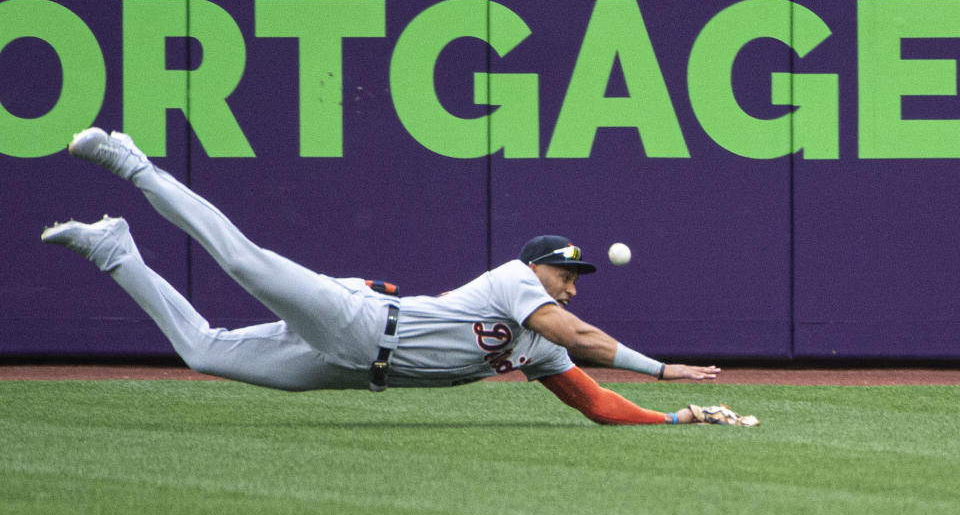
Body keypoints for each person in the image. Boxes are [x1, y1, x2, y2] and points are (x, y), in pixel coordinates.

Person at [41, 128, 758, 427]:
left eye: (575, 276)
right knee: (240, 258)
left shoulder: (539, 346)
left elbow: (595, 402)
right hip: (355, 321)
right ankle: (129, 161)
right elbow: (584, 337)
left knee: (202, 352)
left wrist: (673, 419)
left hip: (350, 369)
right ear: (536, 265)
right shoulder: (516, 283)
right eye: (564, 272)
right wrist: (665, 371)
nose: (571, 283)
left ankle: (113, 249)